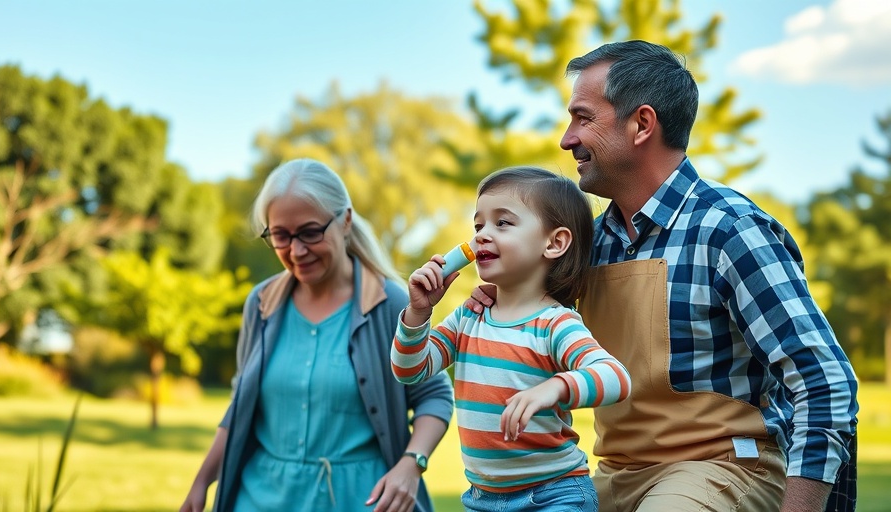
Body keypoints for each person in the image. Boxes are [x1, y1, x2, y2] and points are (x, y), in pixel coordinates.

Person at [468, 40, 859, 512]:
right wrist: (496, 300)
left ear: (642, 124)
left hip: (726, 469)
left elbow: (824, 381)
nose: (566, 139)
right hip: (616, 472)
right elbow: (532, 328)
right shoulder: (586, 244)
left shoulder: (729, 229)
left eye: (583, 118)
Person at [180, 158, 454, 512]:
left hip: (360, 500)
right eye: (280, 235)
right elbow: (241, 404)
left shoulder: (390, 304)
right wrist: (201, 483)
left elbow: (434, 396)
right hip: (260, 499)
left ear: (345, 221)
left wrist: (411, 465)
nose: (296, 250)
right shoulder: (261, 305)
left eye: (310, 232)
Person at [392, 166, 632, 512]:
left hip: (554, 495)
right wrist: (418, 313)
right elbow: (409, 370)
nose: (481, 236)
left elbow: (615, 377)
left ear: (554, 243)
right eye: (478, 225)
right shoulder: (468, 317)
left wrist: (556, 387)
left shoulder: (555, 323)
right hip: (482, 499)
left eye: (502, 223)